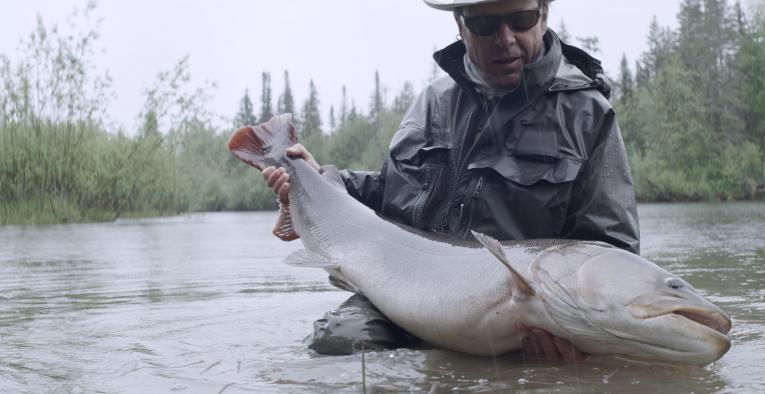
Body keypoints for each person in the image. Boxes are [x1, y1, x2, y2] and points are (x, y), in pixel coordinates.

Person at [261, 0, 639, 360]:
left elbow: (610, 251)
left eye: (520, 20)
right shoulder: (433, 102)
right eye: (485, 24)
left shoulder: (587, 114)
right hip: (403, 295)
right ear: (460, 26)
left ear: (543, 16)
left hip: (517, 319)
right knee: (337, 346)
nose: (505, 38)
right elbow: (393, 194)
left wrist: (580, 333)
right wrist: (319, 184)